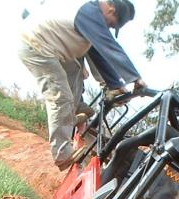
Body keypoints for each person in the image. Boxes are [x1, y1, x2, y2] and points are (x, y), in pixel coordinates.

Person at [19, 0, 145, 171]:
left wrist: (114, 85)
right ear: (111, 8)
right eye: (111, 23)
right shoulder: (88, 11)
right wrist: (135, 78)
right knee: (60, 97)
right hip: (36, 47)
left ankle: (76, 109)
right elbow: (109, 46)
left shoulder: (91, 17)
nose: (108, 27)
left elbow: (98, 54)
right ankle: (62, 154)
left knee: (75, 70)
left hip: (52, 47)